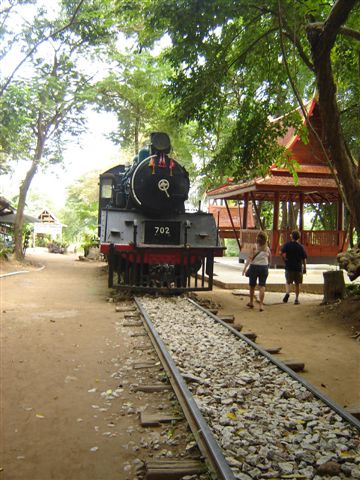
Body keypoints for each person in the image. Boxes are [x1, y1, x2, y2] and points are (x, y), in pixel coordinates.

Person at [242, 231, 271, 312]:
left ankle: (251, 302)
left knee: (252, 286)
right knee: (262, 286)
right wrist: (267, 266)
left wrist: (244, 269)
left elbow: (249, 258)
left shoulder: (254, 247)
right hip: (264, 267)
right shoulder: (267, 248)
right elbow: (269, 259)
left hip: (254, 267)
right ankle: (261, 305)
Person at [281, 230, 307, 305]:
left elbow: (281, 253)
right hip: (298, 267)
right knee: (297, 284)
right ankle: (296, 299)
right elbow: (304, 258)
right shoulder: (301, 247)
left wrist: (284, 260)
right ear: (299, 237)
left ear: (292, 236)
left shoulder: (287, 245)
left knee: (288, 281)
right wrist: (305, 268)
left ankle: (287, 293)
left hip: (289, 266)